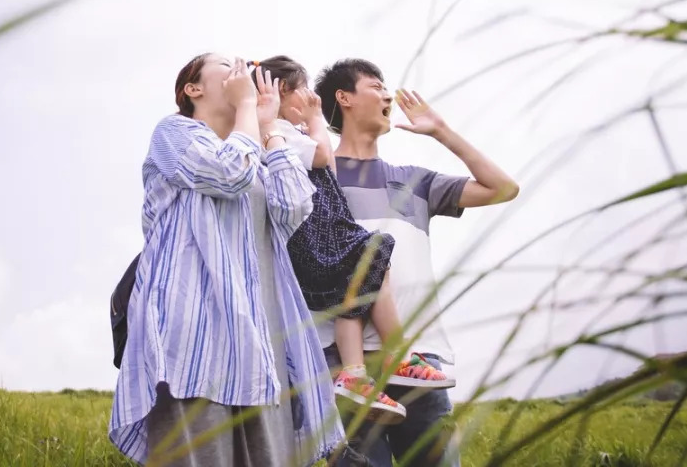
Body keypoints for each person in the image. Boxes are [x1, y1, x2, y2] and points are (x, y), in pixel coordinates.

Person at [109, 54, 344, 467]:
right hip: (195, 346)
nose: (242, 68)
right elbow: (226, 174)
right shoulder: (175, 132)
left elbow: (295, 206)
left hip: (261, 351)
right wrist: (250, 111)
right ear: (192, 89)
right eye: (224, 62)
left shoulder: (256, 150)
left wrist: (270, 127)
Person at [314, 58, 520, 467]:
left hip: (417, 363)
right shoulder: (315, 178)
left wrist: (441, 131)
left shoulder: (415, 181)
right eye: (376, 86)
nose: (389, 94)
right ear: (345, 98)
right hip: (344, 370)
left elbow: (503, 188)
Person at [252, 56, 457, 424]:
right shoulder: (277, 133)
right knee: (373, 254)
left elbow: (327, 168)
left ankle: (355, 374)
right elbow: (322, 158)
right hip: (316, 237)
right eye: (304, 91)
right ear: (282, 91)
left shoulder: (285, 134)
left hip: (324, 235)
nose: (313, 98)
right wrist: (315, 119)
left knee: (361, 277)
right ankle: (396, 360)